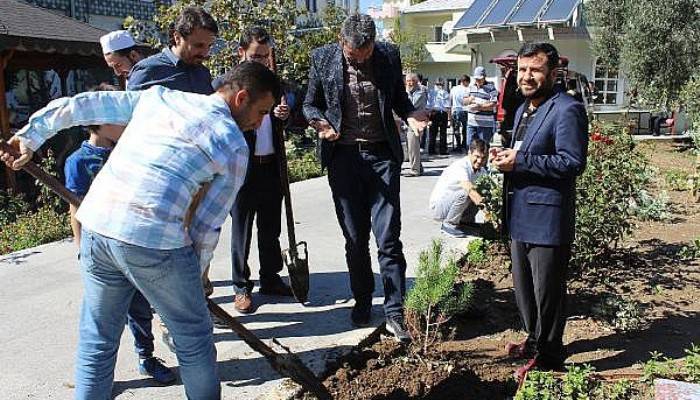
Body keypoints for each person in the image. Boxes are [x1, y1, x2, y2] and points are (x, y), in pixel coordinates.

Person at [1, 61, 280, 400]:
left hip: (98, 227)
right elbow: (207, 227)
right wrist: (196, 275)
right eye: (262, 111)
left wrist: (30, 135)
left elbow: (81, 104)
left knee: (98, 339)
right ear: (241, 97)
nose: (261, 121)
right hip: (155, 242)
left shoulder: (161, 98)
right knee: (193, 340)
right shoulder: (234, 146)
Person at [303, 14, 429, 343]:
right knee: (355, 239)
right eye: (352, 56)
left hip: (382, 156)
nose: (360, 61)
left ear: (374, 42)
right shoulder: (322, 58)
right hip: (343, 158)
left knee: (388, 239)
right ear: (339, 40)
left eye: (365, 54)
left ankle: (394, 312)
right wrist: (320, 124)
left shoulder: (388, 54)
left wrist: (412, 114)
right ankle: (362, 300)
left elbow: (399, 99)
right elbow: (309, 104)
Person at [63, 83, 176, 385]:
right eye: (120, 116)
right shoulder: (79, 162)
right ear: (98, 120)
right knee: (103, 320)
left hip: (133, 244)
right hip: (99, 249)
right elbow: (76, 207)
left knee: (140, 308)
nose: (127, 122)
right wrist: (79, 243)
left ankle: (146, 357)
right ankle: (101, 378)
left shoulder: (130, 152)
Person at [492, 42, 588, 383]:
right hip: (520, 213)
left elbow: (572, 162)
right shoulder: (523, 110)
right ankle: (534, 341)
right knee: (525, 290)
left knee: (548, 292)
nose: (526, 76)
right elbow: (523, 152)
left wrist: (521, 161)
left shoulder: (567, 109)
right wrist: (506, 156)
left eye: (534, 70)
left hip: (548, 219)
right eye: (522, 70)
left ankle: (549, 357)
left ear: (552, 73)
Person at [228, 26, 293, 315]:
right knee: (241, 229)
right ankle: (241, 287)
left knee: (271, 227)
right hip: (243, 169)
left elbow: (293, 109)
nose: (262, 60)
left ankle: (270, 277)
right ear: (241, 52)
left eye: (266, 56)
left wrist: (284, 114)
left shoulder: (274, 84)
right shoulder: (230, 86)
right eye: (256, 55)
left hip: (271, 166)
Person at [127, 6, 217, 94]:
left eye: (209, 46)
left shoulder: (203, 74)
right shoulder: (148, 70)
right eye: (198, 45)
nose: (205, 53)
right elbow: (131, 107)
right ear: (177, 38)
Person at [429, 138, 487, 238]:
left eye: (483, 158)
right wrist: (487, 211)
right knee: (468, 192)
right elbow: (468, 188)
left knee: (482, 191)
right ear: (469, 153)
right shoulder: (461, 166)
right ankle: (449, 224)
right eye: (477, 157)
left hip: (454, 204)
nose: (480, 161)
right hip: (440, 207)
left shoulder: (482, 171)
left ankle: (465, 222)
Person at [464, 66, 498, 151]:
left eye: (479, 79)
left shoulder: (491, 88)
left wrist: (480, 107)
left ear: (484, 77)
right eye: (476, 79)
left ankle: (484, 163)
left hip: (485, 124)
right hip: (471, 123)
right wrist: (468, 100)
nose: (477, 81)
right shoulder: (471, 87)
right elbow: (464, 101)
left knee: (483, 148)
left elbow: (493, 104)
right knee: (469, 145)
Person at [404, 72, 427, 177]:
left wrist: (406, 94)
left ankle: (415, 170)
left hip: (418, 121)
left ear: (417, 82)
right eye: (408, 81)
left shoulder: (420, 92)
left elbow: (411, 105)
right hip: (408, 121)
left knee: (413, 144)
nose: (410, 83)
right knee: (412, 146)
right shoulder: (406, 91)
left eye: (412, 81)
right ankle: (419, 167)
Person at [427, 78, 450, 155]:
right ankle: (442, 150)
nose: (440, 86)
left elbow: (428, 105)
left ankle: (432, 150)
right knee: (441, 133)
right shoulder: (444, 92)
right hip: (439, 112)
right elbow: (447, 107)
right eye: (439, 84)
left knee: (433, 133)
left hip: (435, 113)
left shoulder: (431, 92)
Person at [449, 75, 470, 151]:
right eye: (468, 82)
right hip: (465, 110)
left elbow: (450, 101)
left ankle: (458, 145)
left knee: (456, 129)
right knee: (465, 129)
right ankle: (464, 145)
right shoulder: (468, 89)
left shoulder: (453, 89)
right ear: (465, 81)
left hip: (455, 110)